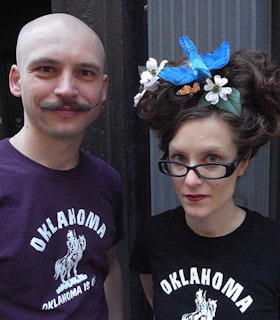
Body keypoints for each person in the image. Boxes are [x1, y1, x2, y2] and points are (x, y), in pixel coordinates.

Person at [131, 35, 280, 319]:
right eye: (179, 158)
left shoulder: (273, 249)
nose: (190, 180)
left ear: (242, 162)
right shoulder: (154, 238)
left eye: (211, 160)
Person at [0, 13, 124, 319]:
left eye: (85, 72)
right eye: (46, 69)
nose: (67, 89)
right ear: (16, 80)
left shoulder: (106, 180)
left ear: (103, 88)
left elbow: (107, 268)